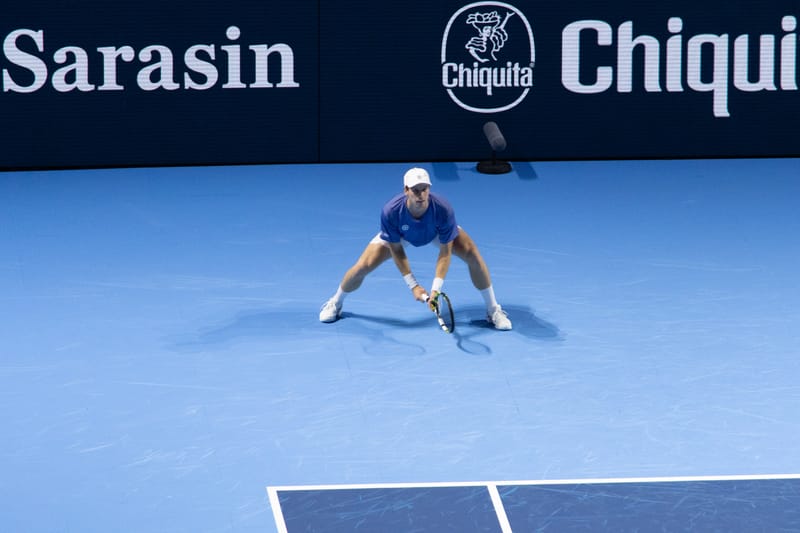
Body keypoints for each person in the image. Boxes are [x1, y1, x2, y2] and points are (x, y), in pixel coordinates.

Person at [319, 167, 512, 330]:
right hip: (402, 235)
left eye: (424, 189)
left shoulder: (443, 209)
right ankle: (336, 302)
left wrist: (435, 290)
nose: (421, 195)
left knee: (473, 256)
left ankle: (493, 310)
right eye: (415, 190)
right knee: (362, 266)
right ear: (406, 190)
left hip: (434, 232)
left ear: (429, 189)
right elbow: (396, 250)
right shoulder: (391, 212)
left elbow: (445, 253)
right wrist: (414, 286)